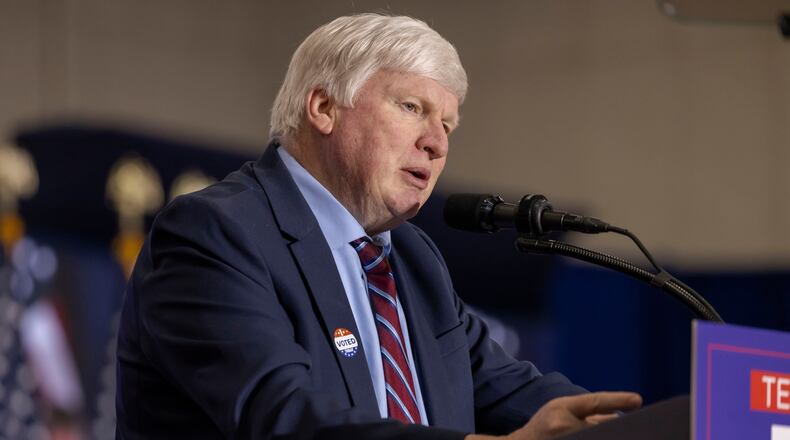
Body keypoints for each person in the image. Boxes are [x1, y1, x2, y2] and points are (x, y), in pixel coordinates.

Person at [115, 13, 641, 440]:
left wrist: (634, 431)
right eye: (412, 107)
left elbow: (512, 390)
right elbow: (281, 417)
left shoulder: (412, 258)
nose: (437, 143)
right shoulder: (214, 232)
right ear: (323, 107)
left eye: (448, 125)